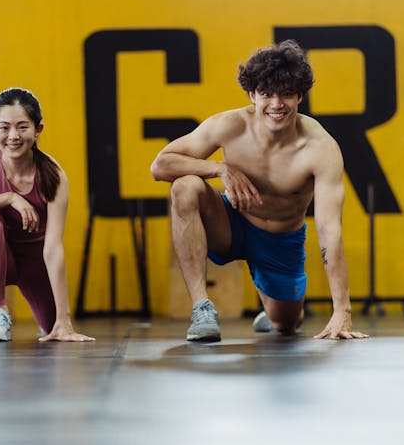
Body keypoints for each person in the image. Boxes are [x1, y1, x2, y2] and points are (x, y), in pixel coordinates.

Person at [150, 40, 368, 342]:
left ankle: (273, 306)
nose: (276, 104)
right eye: (266, 93)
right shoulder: (230, 126)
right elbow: (160, 165)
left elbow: (330, 229)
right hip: (230, 223)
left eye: (286, 93)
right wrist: (220, 168)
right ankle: (202, 307)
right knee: (185, 186)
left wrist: (342, 310)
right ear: (252, 94)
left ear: (300, 95)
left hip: (279, 240)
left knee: (285, 326)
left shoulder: (320, 148)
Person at [0, 87, 94, 343]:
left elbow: (53, 248)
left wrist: (64, 319)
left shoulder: (54, 175)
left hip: (32, 263)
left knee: (53, 330)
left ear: (38, 130)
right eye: (4, 128)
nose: (13, 136)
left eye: (23, 127)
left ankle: (52, 323)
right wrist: (8, 197)